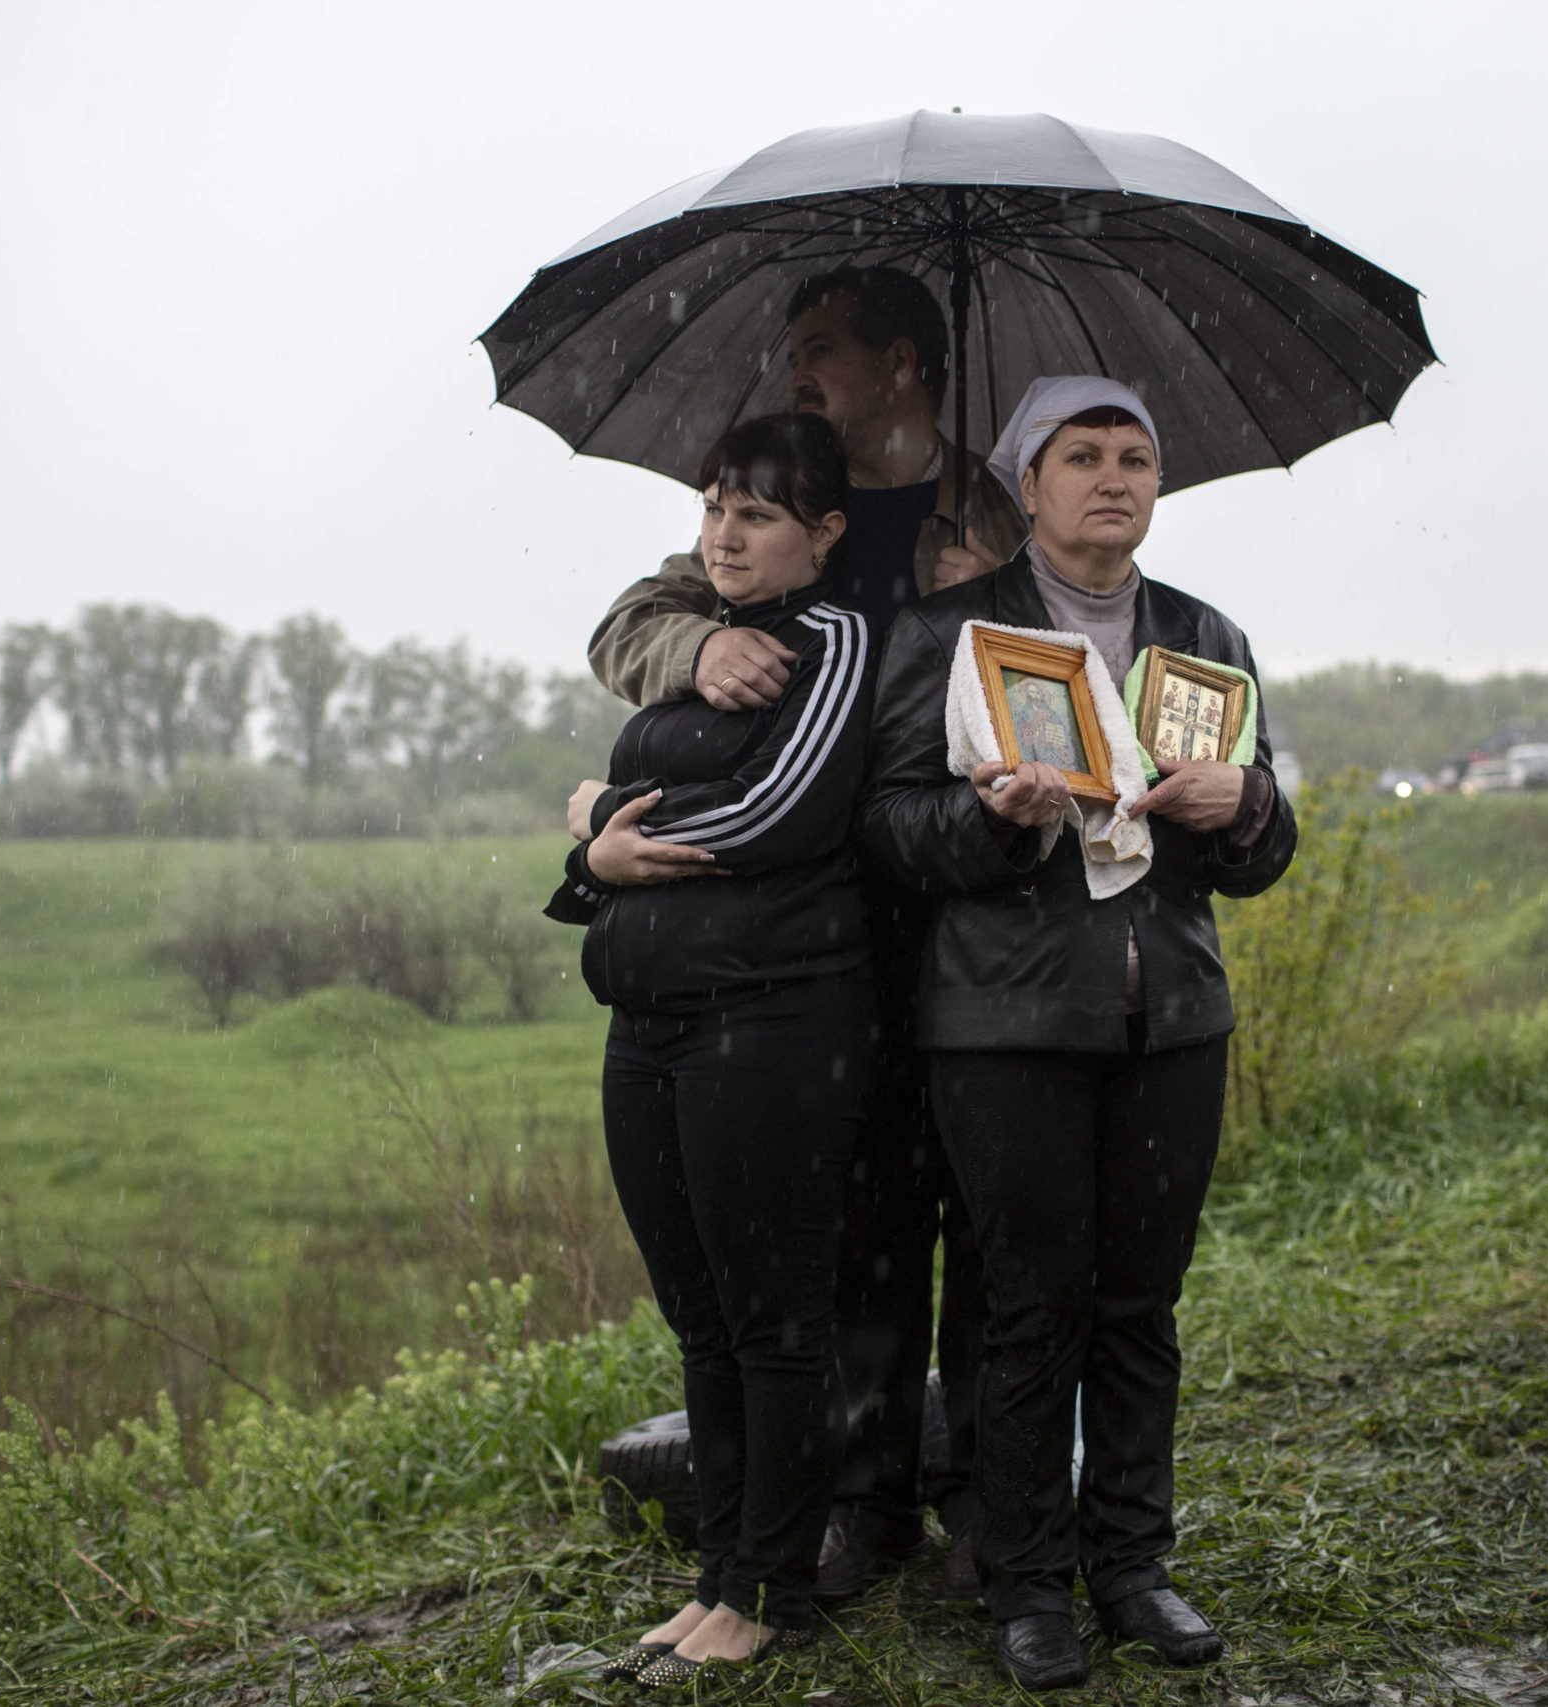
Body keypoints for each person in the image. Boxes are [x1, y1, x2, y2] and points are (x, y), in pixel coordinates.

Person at [584, 265, 1032, 1600]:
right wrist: (697, 655)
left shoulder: (989, 511)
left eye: (823, 349)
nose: (798, 373)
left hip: (965, 901)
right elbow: (630, 622)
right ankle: (861, 1496)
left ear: (906, 362)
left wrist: (993, 594)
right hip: (817, 933)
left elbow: (1062, 668)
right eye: (794, 350)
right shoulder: (783, 492)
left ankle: (995, 1504)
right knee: (860, 1225)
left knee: (988, 1220)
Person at [857, 376, 1299, 1689]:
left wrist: (1249, 799)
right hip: (1005, 1023)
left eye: (1136, 457)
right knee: (1028, 1310)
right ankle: (1027, 1582)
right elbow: (887, 828)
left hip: (1172, 1018)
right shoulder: (949, 630)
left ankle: (1133, 1566)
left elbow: (1255, 857)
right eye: (1083, 456)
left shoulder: (1203, 632)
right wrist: (992, 822)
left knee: (1139, 1308)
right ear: (1027, 485)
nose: (1116, 477)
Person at [548, 412, 875, 1683]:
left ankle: (771, 1587)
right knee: (699, 1322)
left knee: (775, 1322)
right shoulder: (691, 646)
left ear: (823, 534)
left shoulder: (834, 641)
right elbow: (621, 813)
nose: (725, 536)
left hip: (771, 1024)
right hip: (648, 1022)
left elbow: (784, 809)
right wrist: (593, 841)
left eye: (757, 515)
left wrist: (606, 826)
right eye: (714, 509)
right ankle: (716, 1576)